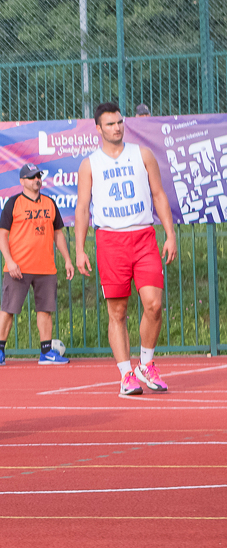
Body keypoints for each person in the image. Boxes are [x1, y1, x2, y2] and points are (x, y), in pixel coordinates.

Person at [75, 102, 176, 396]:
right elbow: (82, 209)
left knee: (153, 305)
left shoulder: (142, 154)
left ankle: (146, 363)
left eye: (119, 122)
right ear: (98, 129)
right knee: (118, 312)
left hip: (143, 237)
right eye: (110, 124)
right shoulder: (90, 164)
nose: (117, 127)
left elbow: (159, 195)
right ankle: (125, 374)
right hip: (110, 241)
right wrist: (79, 249)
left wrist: (170, 234)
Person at [0, 162, 75, 366]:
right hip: (18, 268)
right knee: (8, 309)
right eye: (32, 177)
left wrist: (67, 259)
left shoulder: (50, 203)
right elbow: (2, 236)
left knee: (45, 310)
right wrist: (10, 261)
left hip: (45, 267)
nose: (37, 180)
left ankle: (46, 352)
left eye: (38, 176)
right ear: (22, 181)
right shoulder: (13, 203)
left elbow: (58, 234)